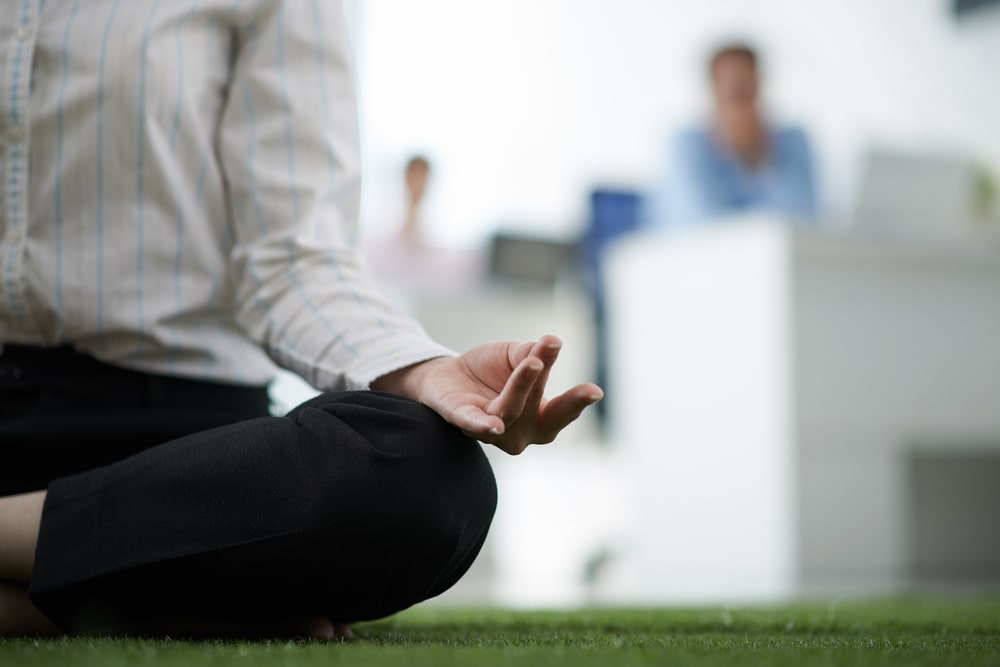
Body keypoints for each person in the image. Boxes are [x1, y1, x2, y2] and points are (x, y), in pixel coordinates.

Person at [0, 1, 602, 638]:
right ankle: (149, 597)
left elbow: (293, 260)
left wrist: (425, 370)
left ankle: (32, 594)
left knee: (432, 474)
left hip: (184, 460)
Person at [652, 43, 818, 226]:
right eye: (733, 92)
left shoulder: (791, 141)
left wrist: (759, 156)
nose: (741, 105)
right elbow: (701, 223)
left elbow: (801, 216)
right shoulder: (687, 145)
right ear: (714, 91)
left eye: (747, 89)